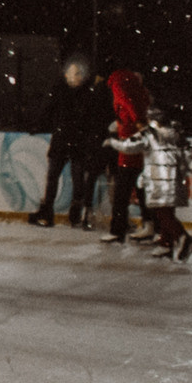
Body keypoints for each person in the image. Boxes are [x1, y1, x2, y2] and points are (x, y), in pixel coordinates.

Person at [31, 53, 109, 230]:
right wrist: (37, 124)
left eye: (77, 74)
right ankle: (48, 212)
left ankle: (75, 212)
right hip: (64, 140)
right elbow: (48, 110)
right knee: (53, 178)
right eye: (72, 73)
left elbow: (93, 117)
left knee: (77, 179)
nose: (74, 77)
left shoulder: (87, 94)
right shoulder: (62, 90)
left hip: (77, 142)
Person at [137, 103, 192, 263]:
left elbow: (137, 148)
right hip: (171, 178)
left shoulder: (155, 136)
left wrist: (113, 142)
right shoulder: (174, 134)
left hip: (162, 180)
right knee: (165, 212)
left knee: (162, 212)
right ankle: (166, 243)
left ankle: (182, 237)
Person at [100, 69, 151, 243]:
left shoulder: (121, 86)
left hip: (130, 150)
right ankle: (151, 225)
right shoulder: (141, 94)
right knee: (142, 189)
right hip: (138, 150)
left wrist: (128, 126)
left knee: (122, 192)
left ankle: (118, 230)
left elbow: (131, 111)